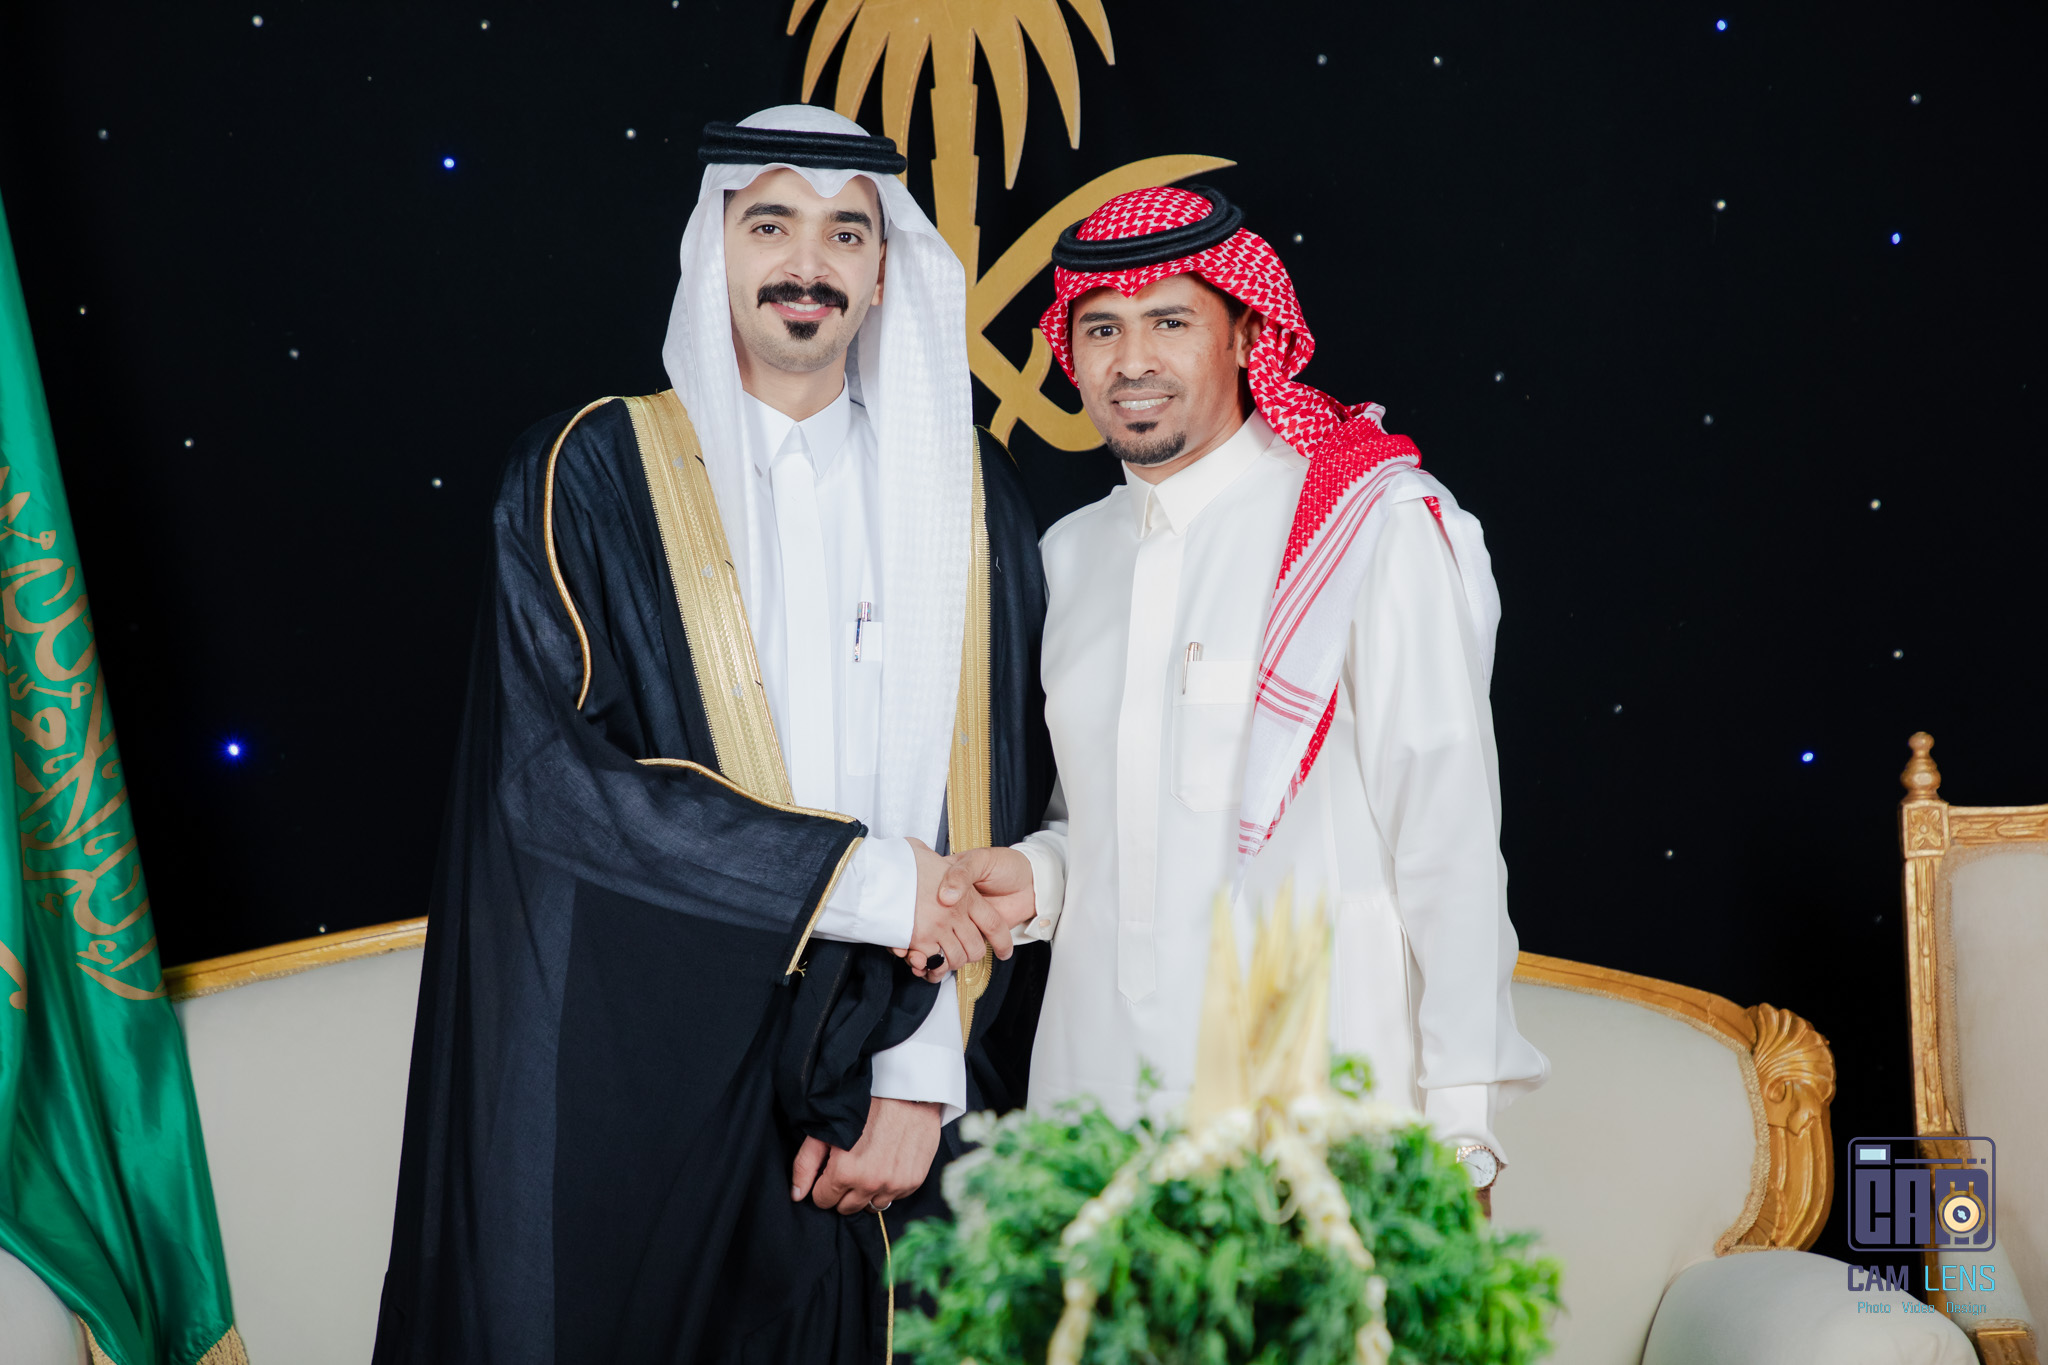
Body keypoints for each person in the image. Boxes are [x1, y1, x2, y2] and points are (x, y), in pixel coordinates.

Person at [373, 106, 1052, 1365]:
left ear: (884, 270)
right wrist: (870, 882)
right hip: (658, 1066)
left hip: (899, 1078)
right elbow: (553, 782)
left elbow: (1006, 801)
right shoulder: (590, 472)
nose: (808, 263)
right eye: (771, 225)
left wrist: (920, 1076)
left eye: (847, 233)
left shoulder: (968, 497)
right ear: (714, 249)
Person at [945, 183, 1547, 1204]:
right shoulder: (1069, 556)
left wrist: (1462, 1126)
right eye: (1101, 329)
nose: (1131, 361)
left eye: (1169, 322)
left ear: (1246, 334)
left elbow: (1443, 831)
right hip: (1095, 1109)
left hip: (1318, 1109)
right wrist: (1039, 875)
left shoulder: (1368, 525)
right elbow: (1104, 820)